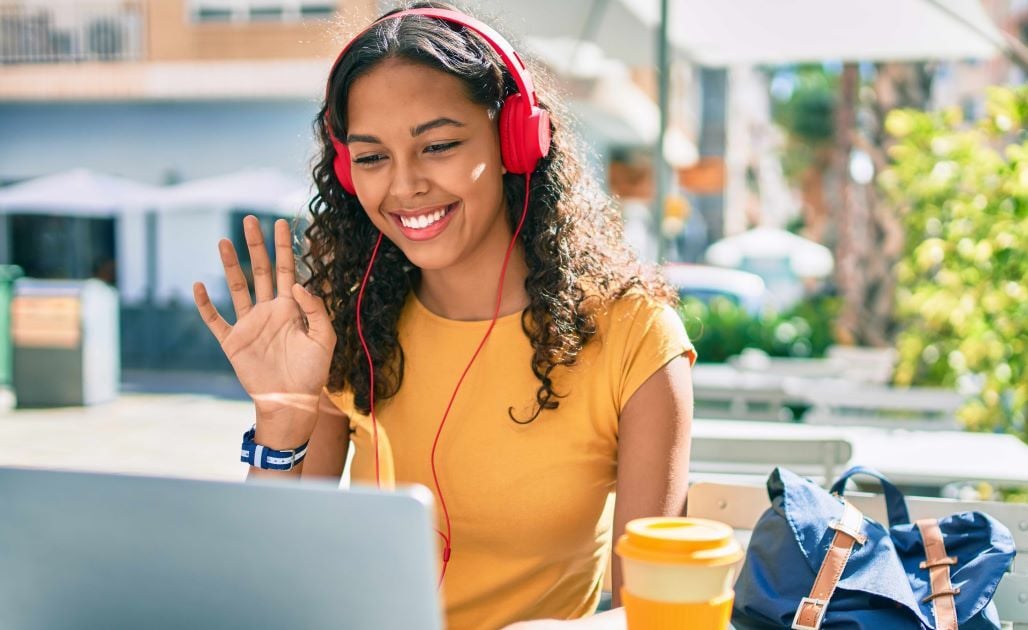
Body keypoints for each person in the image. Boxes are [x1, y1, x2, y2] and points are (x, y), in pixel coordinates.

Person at [192, 3, 696, 629]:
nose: (404, 187)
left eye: (438, 145)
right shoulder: (345, 330)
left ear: (516, 140)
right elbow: (270, 584)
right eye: (372, 157)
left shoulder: (635, 338)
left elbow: (654, 618)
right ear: (346, 173)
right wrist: (281, 416)